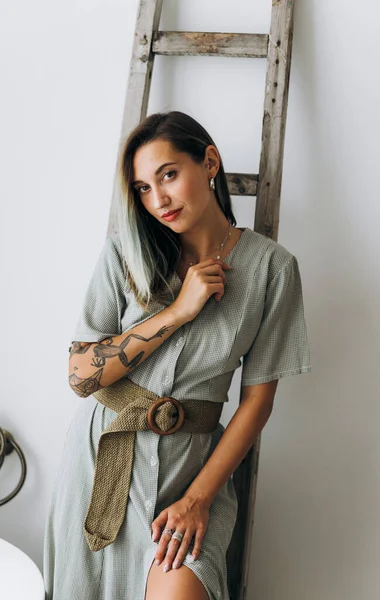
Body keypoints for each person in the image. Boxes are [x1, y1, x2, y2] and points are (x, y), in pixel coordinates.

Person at [43, 110, 311, 600]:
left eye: (168, 175)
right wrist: (177, 312)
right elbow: (81, 376)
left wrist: (198, 500)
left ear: (209, 162)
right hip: (100, 461)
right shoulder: (125, 253)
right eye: (143, 188)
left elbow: (257, 403)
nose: (159, 199)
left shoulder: (273, 269)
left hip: (189, 476)